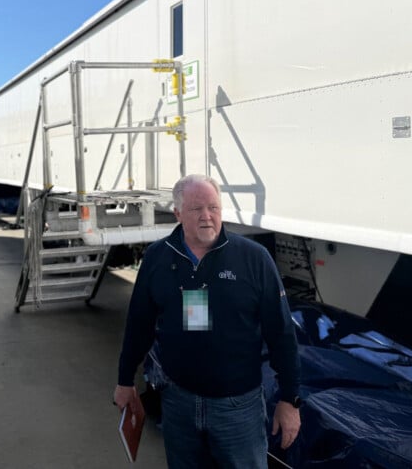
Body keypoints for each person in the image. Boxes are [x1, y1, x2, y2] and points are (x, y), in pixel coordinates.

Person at [114, 174, 301, 468]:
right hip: (179, 403)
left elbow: (282, 334)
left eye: (213, 208)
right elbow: (139, 325)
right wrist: (125, 380)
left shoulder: (253, 259)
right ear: (177, 213)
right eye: (196, 209)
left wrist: (290, 399)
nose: (207, 216)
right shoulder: (158, 258)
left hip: (238, 408)